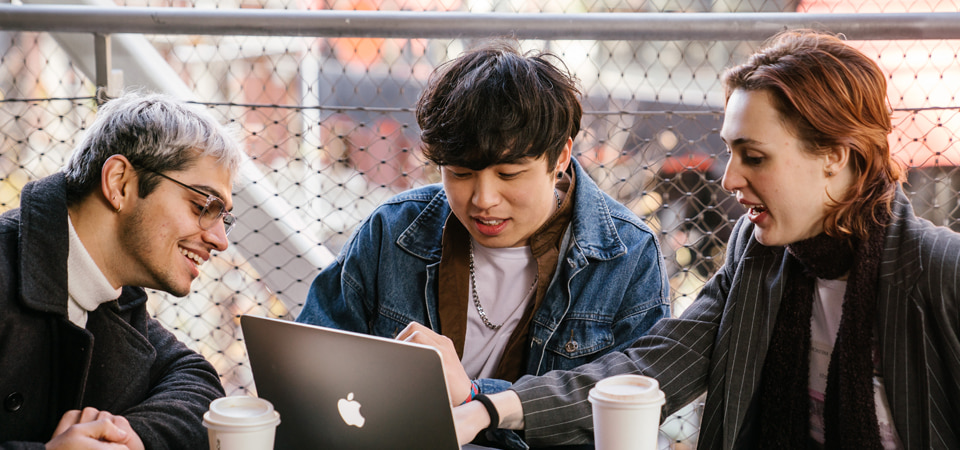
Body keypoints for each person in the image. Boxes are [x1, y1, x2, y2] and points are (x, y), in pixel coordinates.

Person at [451, 30, 960, 449]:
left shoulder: (940, 271)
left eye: (754, 156)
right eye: (730, 153)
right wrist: (488, 407)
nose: (729, 179)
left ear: (836, 155)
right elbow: (648, 368)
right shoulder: (756, 253)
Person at [296, 40, 670, 447]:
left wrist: (477, 397)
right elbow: (309, 367)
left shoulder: (627, 256)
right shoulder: (393, 231)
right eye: (459, 173)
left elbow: (629, 416)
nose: (482, 200)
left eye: (509, 175)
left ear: (560, 156)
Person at [0, 92, 245, 449]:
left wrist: (129, 436)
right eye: (203, 205)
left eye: (224, 217)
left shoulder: (115, 292)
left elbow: (195, 379)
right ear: (119, 183)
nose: (220, 240)